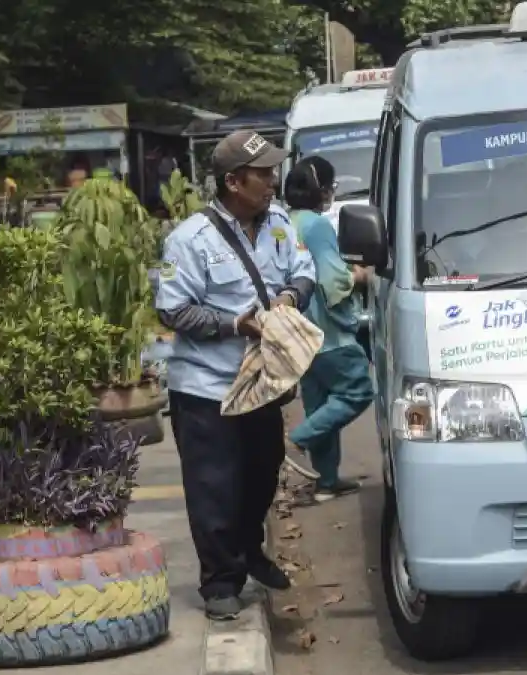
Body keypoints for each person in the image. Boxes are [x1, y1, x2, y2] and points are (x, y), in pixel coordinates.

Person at [155, 130, 317, 621]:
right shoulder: (189, 240)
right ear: (232, 181)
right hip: (207, 387)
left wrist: (289, 298)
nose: (272, 181)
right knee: (214, 487)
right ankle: (220, 582)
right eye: (263, 173)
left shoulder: (281, 226)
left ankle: (247, 549)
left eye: (273, 171)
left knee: (262, 472)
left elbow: (303, 272)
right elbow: (173, 310)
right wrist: (235, 324)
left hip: (262, 383)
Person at [284, 157, 374, 502]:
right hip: (329, 333)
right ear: (320, 190)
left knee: (320, 404)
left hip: (298, 333)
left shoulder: (283, 222)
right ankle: (298, 439)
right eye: (331, 187)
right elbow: (334, 281)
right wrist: (361, 276)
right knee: (356, 392)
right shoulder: (318, 225)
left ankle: (326, 482)